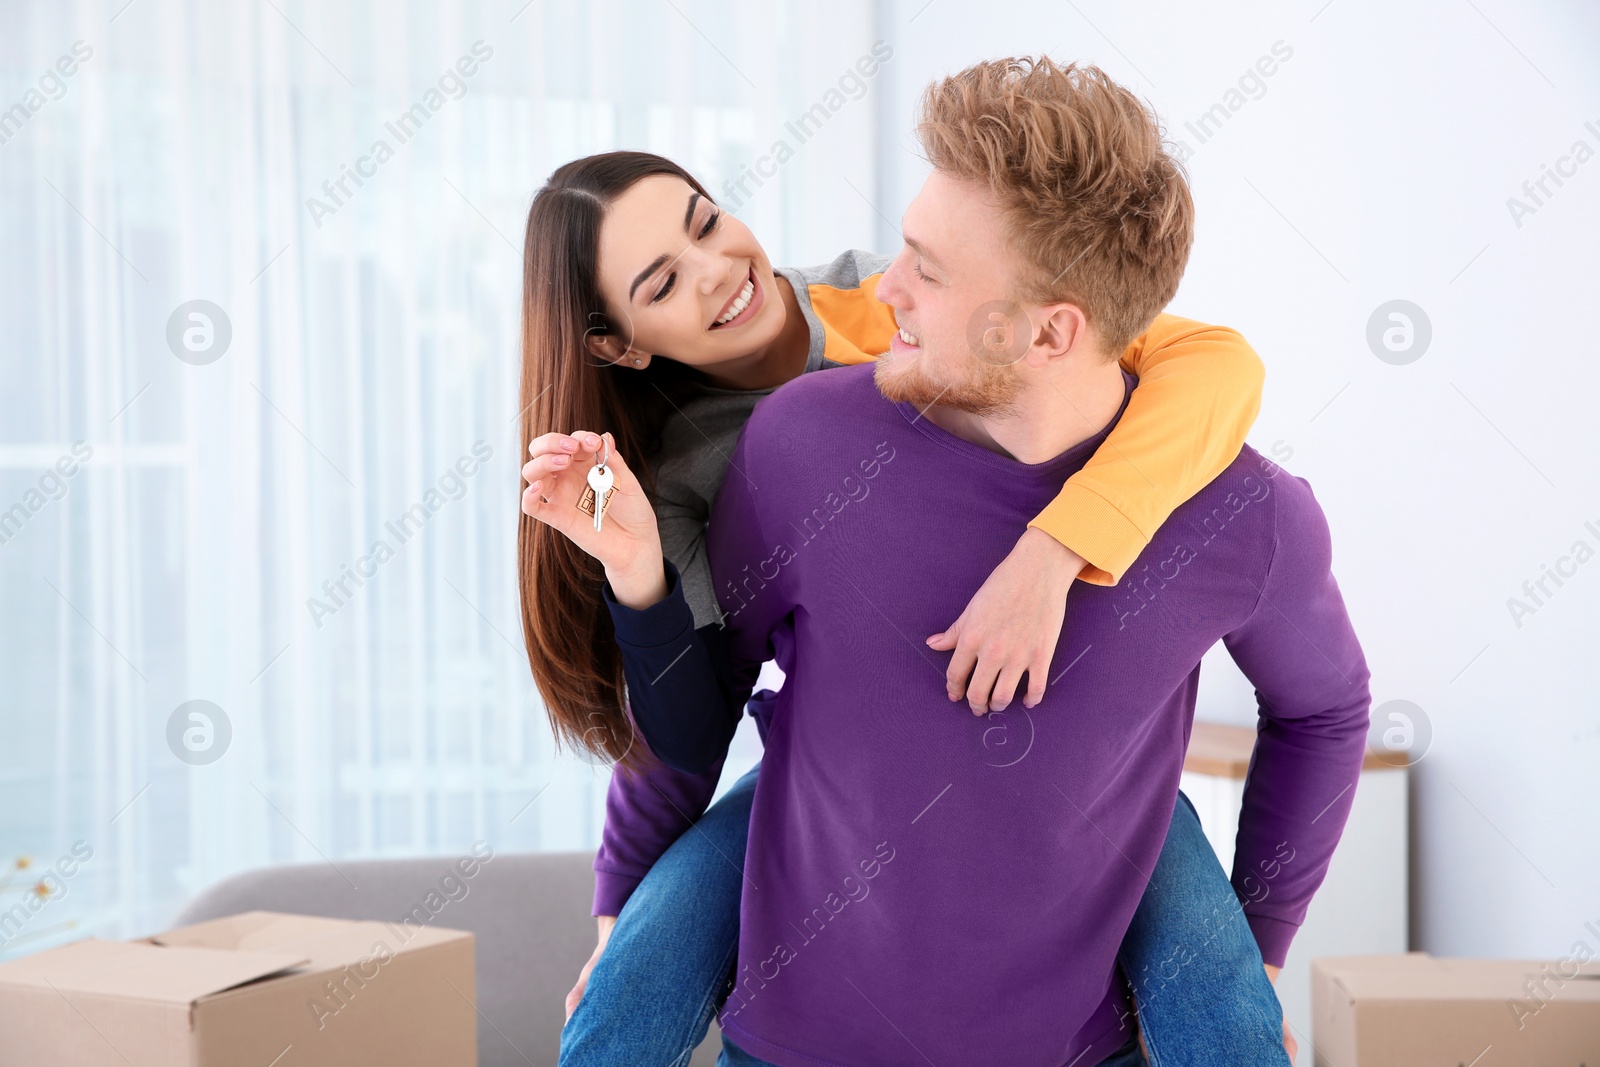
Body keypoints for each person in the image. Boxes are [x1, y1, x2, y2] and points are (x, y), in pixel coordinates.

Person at [516, 73, 1307, 1063]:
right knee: (626, 995)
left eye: (706, 222)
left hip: (1077, 780)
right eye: (662, 282)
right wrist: (617, 913)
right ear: (616, 347)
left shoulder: (879, 297)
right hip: (833, 767)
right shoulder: (696, 471)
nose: (718, 270)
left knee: (1225, 1001)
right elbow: (689, 715)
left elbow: (1212, 361)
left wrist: (1057, 548)